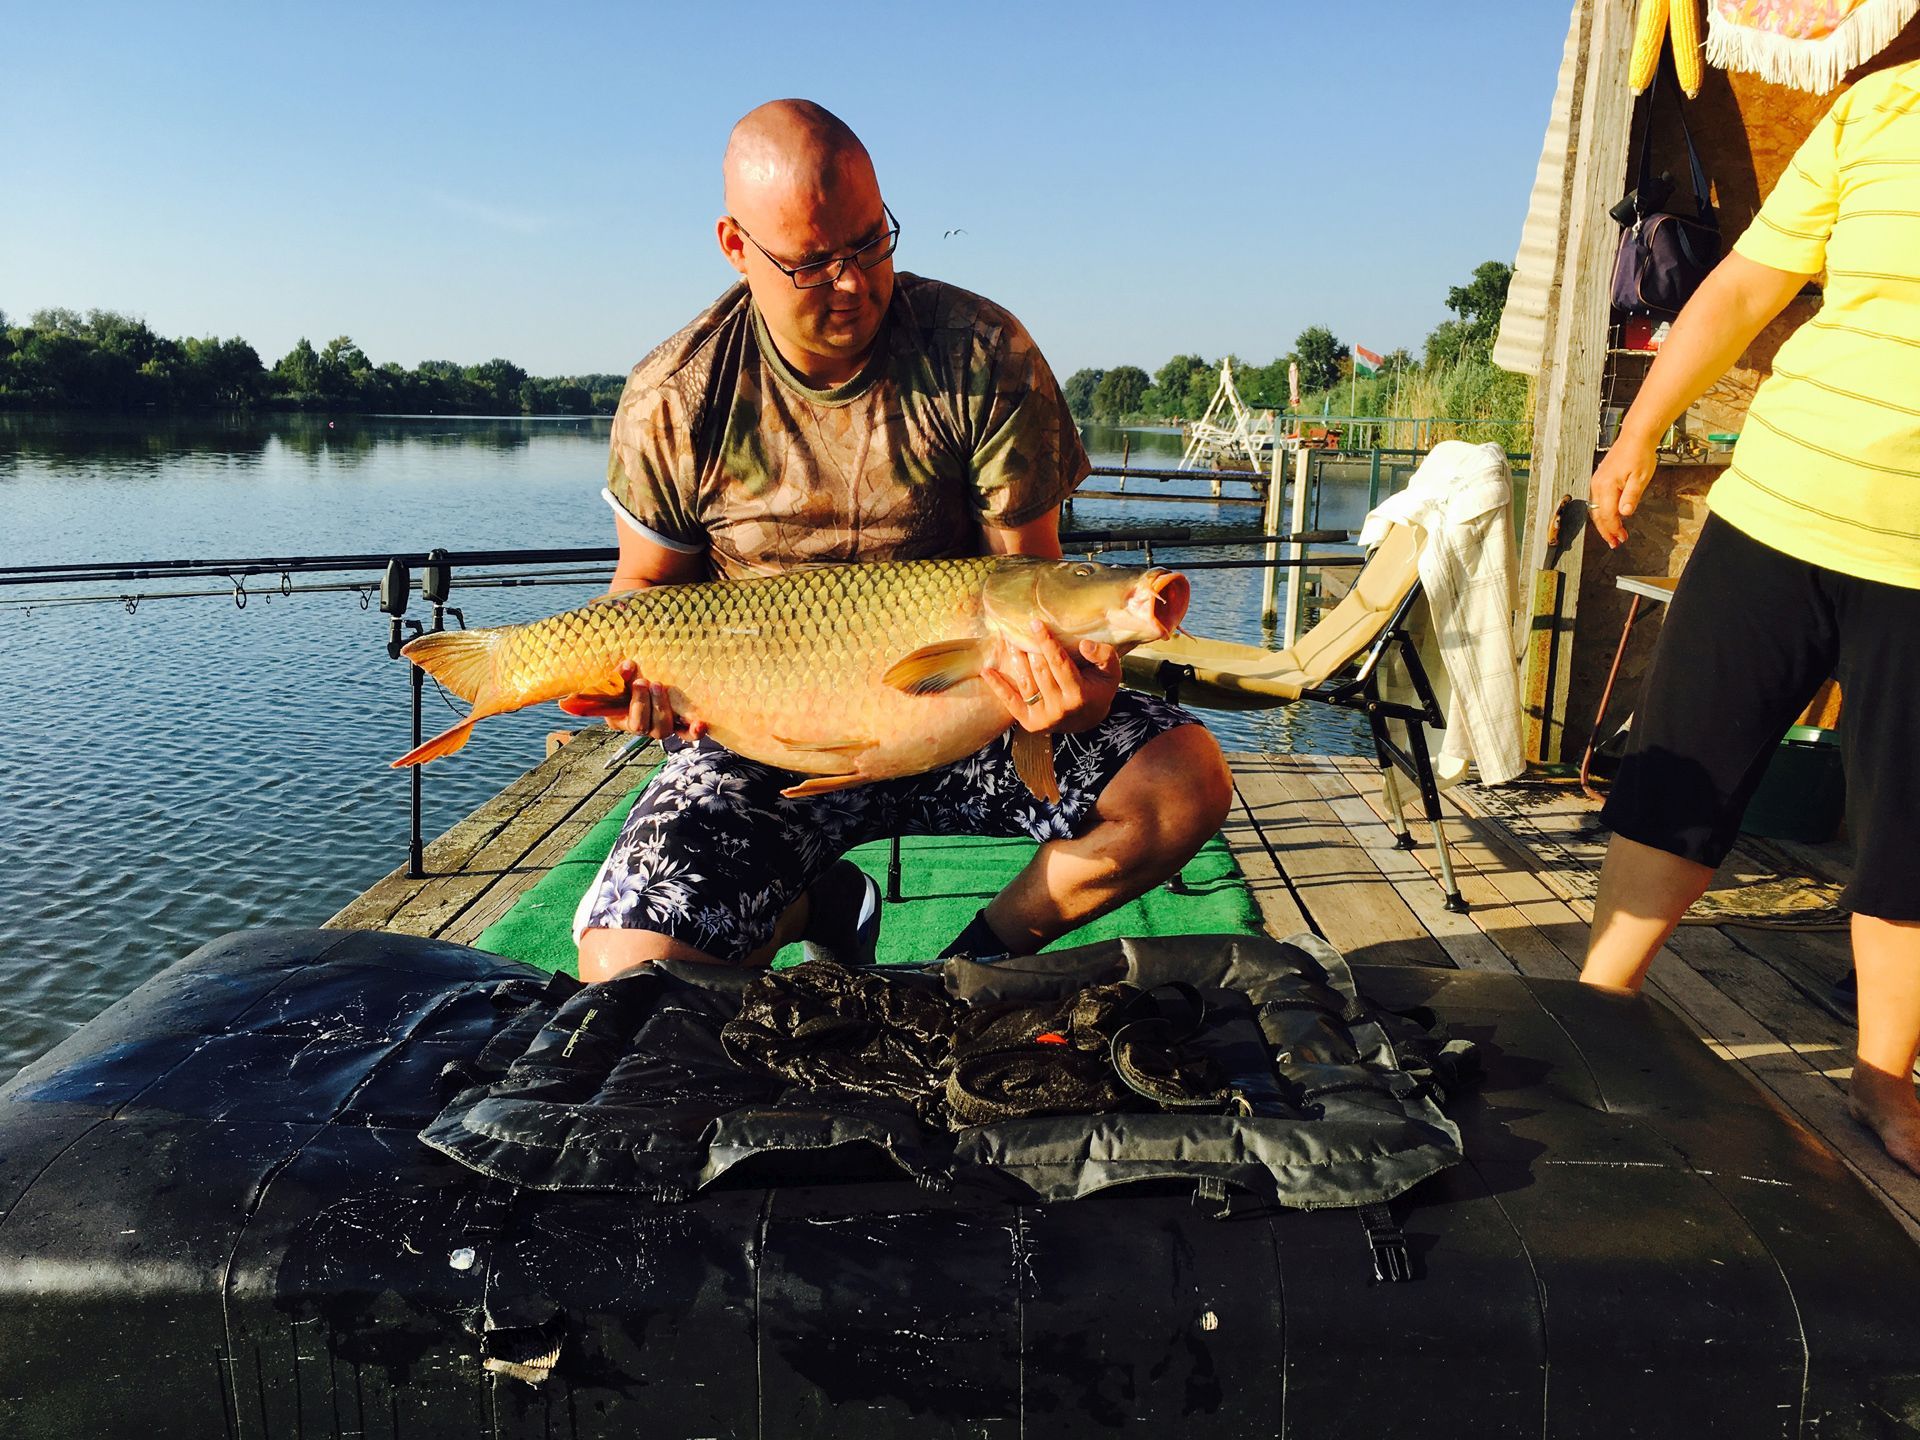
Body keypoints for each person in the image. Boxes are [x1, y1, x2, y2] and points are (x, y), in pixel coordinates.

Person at [568, 98, 1231, 981]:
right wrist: (634, 687)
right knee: (628, 965)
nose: (854, 282)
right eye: (813, 263)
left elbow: (1031, 580)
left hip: (971, 710)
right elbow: (646, 587)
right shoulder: (677, 395)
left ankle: (965, 971)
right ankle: (824, 901)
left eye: (872, 241)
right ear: (735, 245)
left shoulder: (981, 351)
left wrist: (1080, 691)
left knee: (1183, 780)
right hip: (766, 736)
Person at [1582, 59, 1920, 1174]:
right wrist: (1638, 434)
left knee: (1912, 842)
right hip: (1777, 511)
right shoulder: (1881, 107)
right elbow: (1739, 287)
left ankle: (1884, 1084)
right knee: (1675, 781)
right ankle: (1596, 1012)